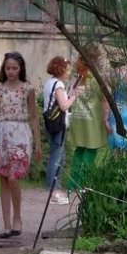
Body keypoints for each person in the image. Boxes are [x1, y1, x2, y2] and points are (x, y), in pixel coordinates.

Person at [0, 51, 41, 238]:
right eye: (8, 68)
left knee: (14, 177)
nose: (11, 71)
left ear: (21, 68)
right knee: (4, 179)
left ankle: (18, 217)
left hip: (21, 135)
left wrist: (38, 143)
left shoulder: (28, 89)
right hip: (1, 136)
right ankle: (6, 224)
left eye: (15, 68)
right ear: (3, 69)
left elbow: (34, 116)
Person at [41, 56, 83, 204]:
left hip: (50, 123)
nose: (69, 72)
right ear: (61, 69)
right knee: (56, 158)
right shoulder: (58, 84)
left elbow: (58, 103)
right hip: (58, 125)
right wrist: (75, 95)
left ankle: (54, 189)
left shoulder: (50, 83)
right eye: (67, 69)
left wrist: (70, 92)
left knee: (58, 155)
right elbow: (64, 106)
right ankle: (54, 192)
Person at [66, 55, 110, 196]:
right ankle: (83, 184)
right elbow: (106, 98)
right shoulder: (97, 78)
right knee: (90, 151)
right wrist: (105, 118)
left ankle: (72, 184)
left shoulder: (77, 76)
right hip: (92, 121)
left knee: (79, 151)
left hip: (78, 120)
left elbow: (69, 94)